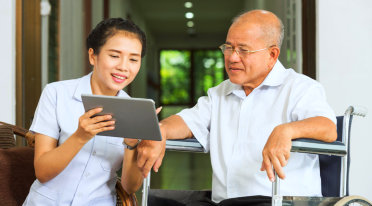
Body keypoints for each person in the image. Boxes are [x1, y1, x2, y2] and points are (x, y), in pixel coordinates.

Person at [136, 10, 338, 205]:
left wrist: (286, 130)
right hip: (223, 201)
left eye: (243, 50)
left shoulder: (299, 87)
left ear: (272, 54)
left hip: (276, 200)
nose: (232, 57)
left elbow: (328, 128)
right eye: (229, 47)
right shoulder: (220, 93)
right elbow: (187, 121)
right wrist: (160, 130)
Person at [23, 18, 151, 205]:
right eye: (114, 55)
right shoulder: (57, 93)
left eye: (133, 59)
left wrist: (132, 145)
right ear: (93, 56)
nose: (124, 66)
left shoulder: (135, 110)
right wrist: (80, 136)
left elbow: (130, 188)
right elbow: (42, 172)